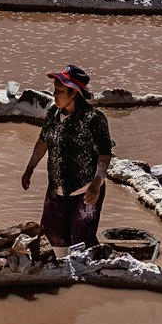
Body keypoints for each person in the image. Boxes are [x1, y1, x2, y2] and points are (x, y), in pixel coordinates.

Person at [21, 64, 113, 249]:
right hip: (57, 189)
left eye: (60, 91)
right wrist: (29, 169)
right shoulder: (53, 114)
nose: (55, 95)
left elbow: (104, 155)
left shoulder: (94, 119)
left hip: (85, 191)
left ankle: (86, 270)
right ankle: (60, 273)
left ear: (74, 93)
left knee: (80, 242)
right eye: (54, 90)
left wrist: (96, 185)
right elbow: (43, 143)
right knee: (50, 238)